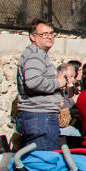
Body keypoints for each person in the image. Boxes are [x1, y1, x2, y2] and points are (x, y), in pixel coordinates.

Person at [15, 18, 67, 151]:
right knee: (42, 162)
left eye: (51, 33)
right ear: (32, 36)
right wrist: (58, 83)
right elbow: (33, 82)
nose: (49, 37)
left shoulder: (38, 54)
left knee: (36, 161)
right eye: (44, 34)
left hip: (39, 116)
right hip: (40, 117)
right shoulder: (35, 56)